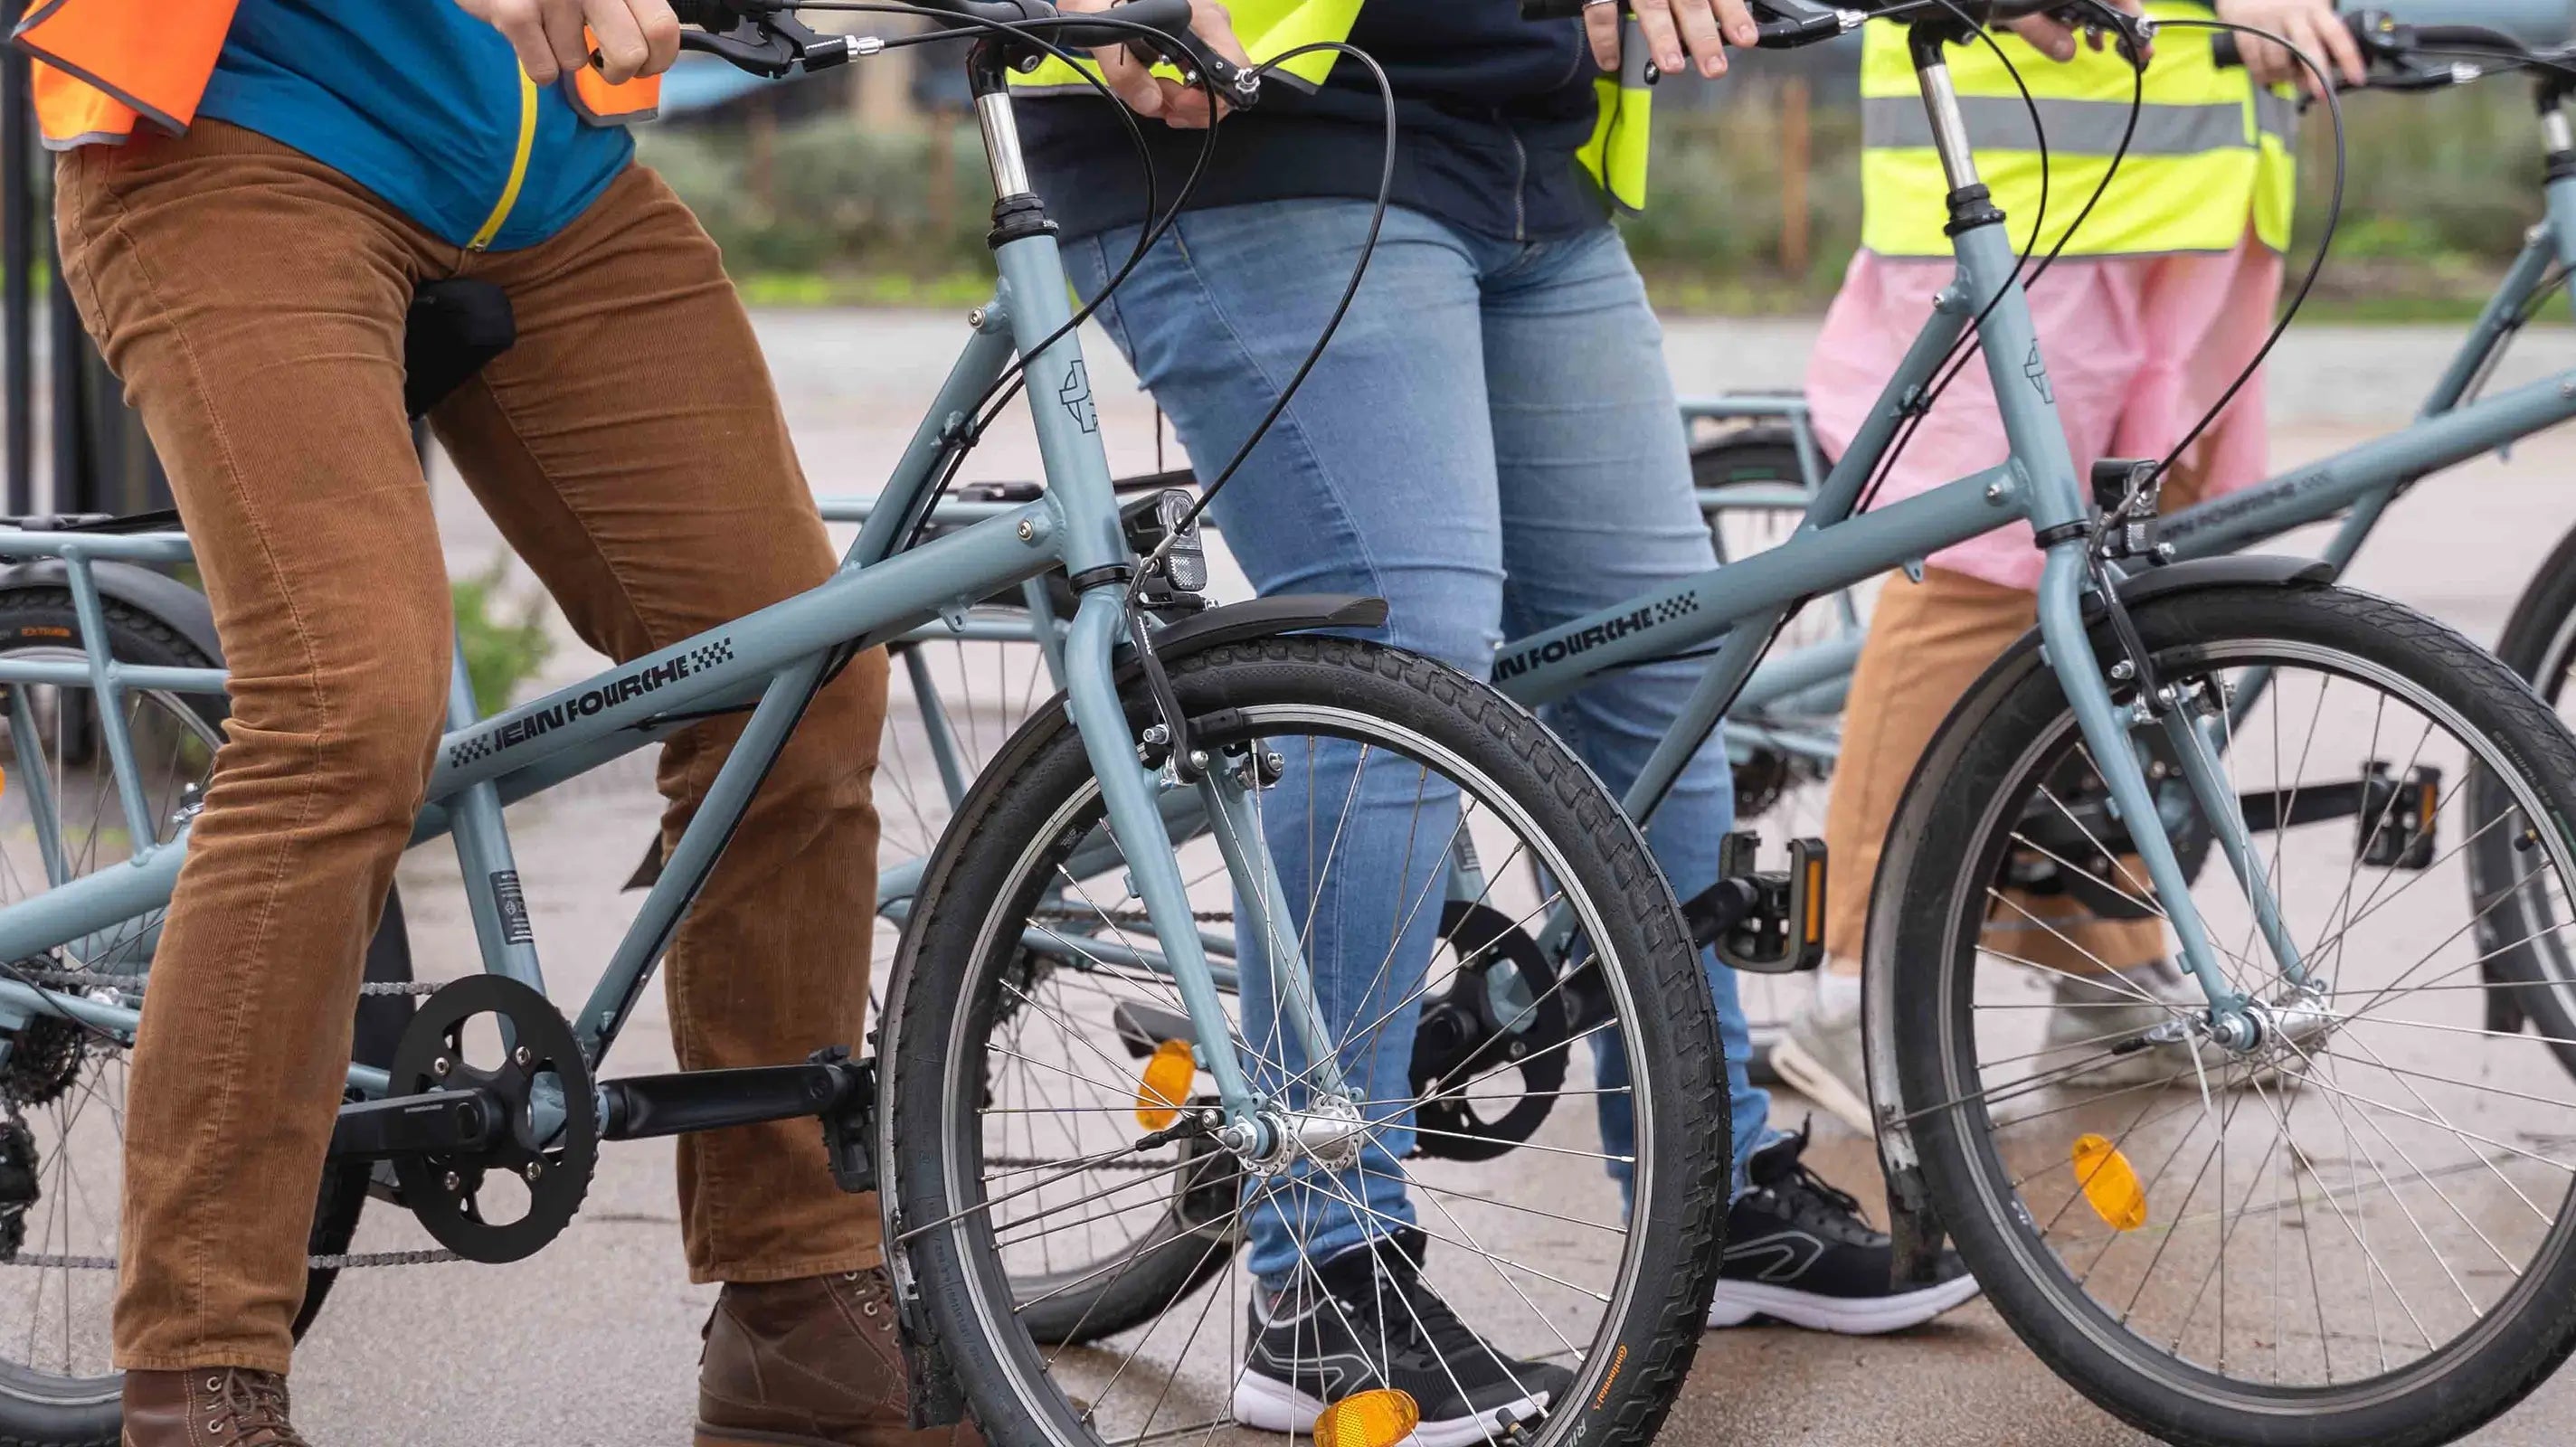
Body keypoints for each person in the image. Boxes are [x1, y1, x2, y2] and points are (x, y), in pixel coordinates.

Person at [1015, 1, 2137, 1428]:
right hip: (1265, 136)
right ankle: (1322, 1266)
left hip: (1523, 156)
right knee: (1400, 657)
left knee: (1662, 664)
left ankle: (1711, 1185)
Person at [15, 3, 968, 1442]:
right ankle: (197, 1374)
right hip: (239, 137)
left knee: (802, 679)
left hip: (541, 179)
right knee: (344, 710)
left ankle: (795, 1312)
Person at [1769, 0, 2368, 1133]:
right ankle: (1857, 987)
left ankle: (2103, 968)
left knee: (2129, 595)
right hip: (2027, 181)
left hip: (2194, 188)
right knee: (1977, 582)